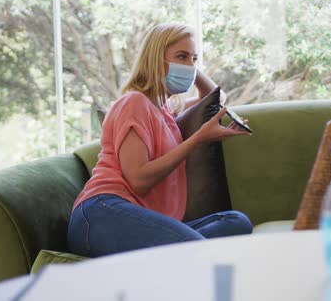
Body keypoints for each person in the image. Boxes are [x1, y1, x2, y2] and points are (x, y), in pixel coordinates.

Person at [67, 23, 253, 258]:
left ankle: (171, 251)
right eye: (181, 57)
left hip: (141, 218)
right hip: (103, 212)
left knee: (237, 222)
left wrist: (191, 66)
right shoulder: (134, 102)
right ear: (155, 60)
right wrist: (198, 138)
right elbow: (137, 180)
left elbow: (216, 97)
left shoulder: (166, 112)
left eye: (193, 59)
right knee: (200, 254)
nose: (189, 66)